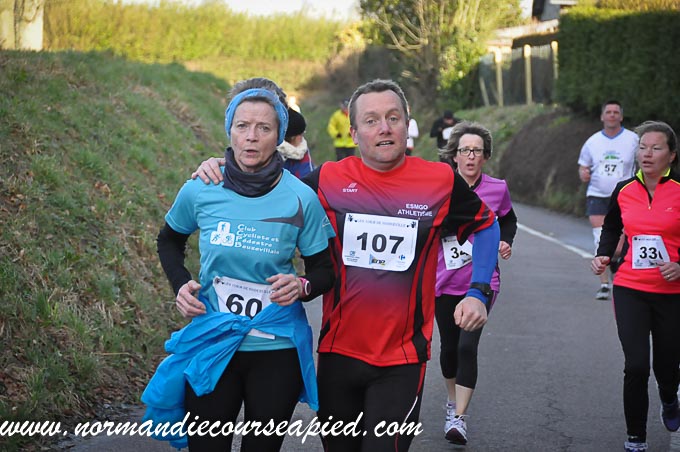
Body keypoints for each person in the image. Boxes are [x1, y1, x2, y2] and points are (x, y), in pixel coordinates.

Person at [192, 79, 500, 451]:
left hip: (402, 360)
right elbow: (265, 192)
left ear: (407, 125)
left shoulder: (440, 180)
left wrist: (478, 291)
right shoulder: (327, 180)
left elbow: (487, 224)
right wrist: (223, 167)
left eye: (393, 118)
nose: (384, 128)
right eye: (371, 120)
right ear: (353, 133)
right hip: (337, 357)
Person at [142, 77, 336, 451]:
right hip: (213, 341)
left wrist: (302, 286)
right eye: (242, 126)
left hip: (276, 347)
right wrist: (180, 285)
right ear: (229, 130)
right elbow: (169, 240)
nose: (251, 137)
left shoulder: (300, 198)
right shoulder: (202, 187)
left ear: (278, 136)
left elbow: (324, 271)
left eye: (264, 128)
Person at [591, 120, 680, 452]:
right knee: (637, 365)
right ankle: (635, 438)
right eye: (642, 147)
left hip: (672, 294)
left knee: (667, 367)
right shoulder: (624, 189)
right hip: (630, 288)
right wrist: (603, 255)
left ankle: (669, 397)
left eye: (656, 148)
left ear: (671, 155)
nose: (647, 153)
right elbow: (612, 226)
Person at [436, 121, 517, 446]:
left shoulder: (498, 188)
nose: (471, 156)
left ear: (485, 157)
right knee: (449, 348)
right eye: (465, 150)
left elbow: (508, 218)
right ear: (454, 155)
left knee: (467, 346)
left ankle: (459, 416)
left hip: (482, 283)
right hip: (443, 280)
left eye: (477, 151)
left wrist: (505, 239)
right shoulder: (439, 186)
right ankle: (451, 400)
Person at [578, 100, 638, 300]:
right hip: (597, 196)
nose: (612, 115)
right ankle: (604, 285)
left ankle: (615, 266)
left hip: (625, 196)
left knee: (619, 247)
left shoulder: (633, 140)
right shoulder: (592, 142)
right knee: (600, 239)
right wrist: (583, 173)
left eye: (616, 112)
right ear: (602, 116)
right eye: (608, 112)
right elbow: (583, 166)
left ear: (621, 116)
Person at [279, 107, 314, 179]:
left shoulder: (302, 150)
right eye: (301, 133)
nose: (302, 137)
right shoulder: (274, 157)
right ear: (292, 137)